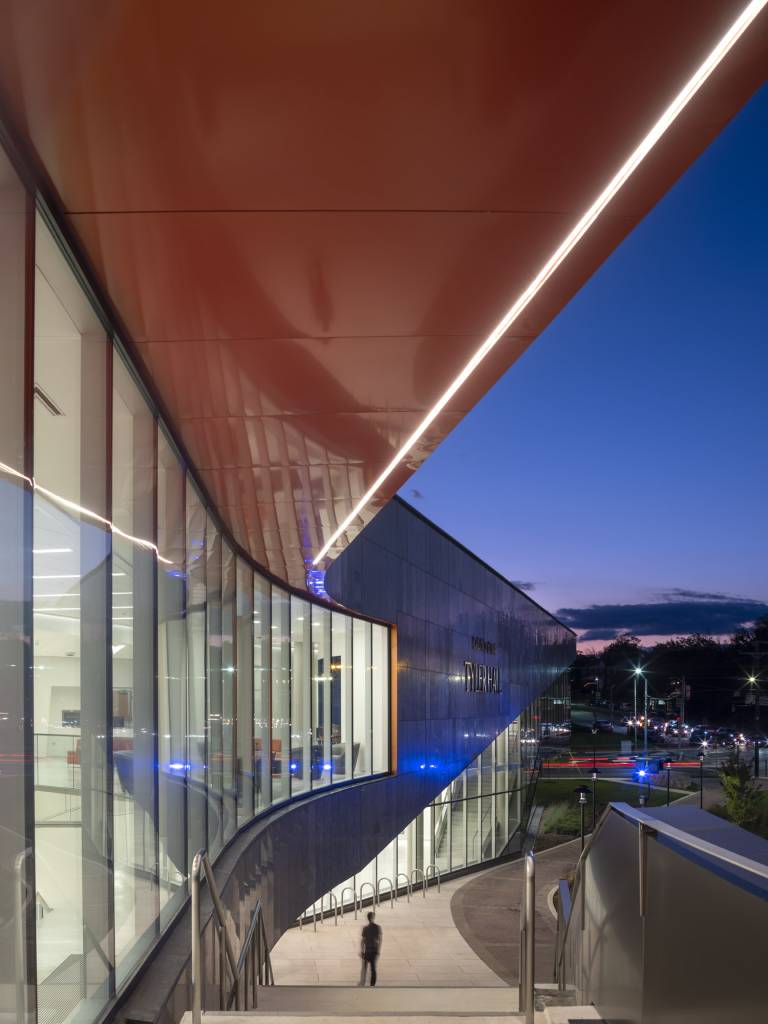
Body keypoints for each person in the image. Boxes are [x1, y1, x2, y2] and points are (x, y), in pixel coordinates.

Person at [359, 911, 382, 986]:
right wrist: (378, 950)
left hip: (367, 951)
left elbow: (363, 941)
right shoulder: (377, 927)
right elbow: (379, 940)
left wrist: (362, 951)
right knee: (373, 969)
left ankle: (363, 982)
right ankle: (372, 984)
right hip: (374, 951)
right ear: (372, 918)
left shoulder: (365, 928)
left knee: (364, 968)